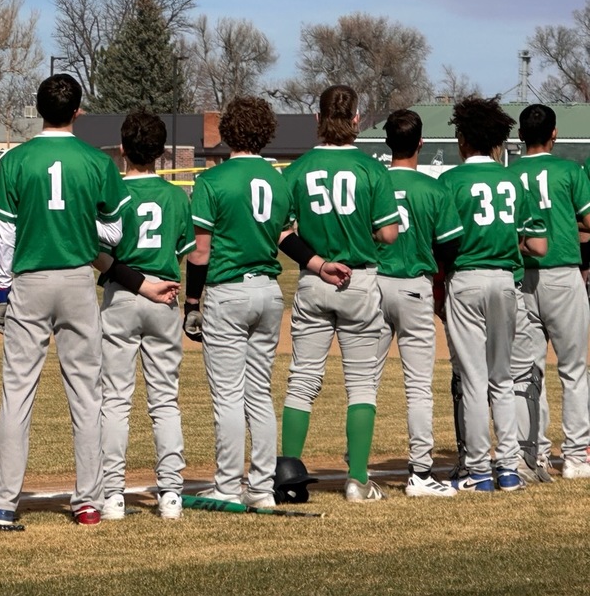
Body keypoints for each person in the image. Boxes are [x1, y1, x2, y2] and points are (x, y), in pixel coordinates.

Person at [0, 73, 177, 528]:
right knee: (86, 393)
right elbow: (114, 232)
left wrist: (3, 292)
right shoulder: (97, 162)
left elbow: (6, 237)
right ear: (78, 112)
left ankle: (2, 503)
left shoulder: (15, 160)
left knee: (17, 393)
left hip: (29, 279)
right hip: (79, 280)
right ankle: (88, 502)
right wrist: (81, 226)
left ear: (38, 109)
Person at [185, 96, 347, 509]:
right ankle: (260, 488)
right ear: (266, 133)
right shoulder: (277, 180)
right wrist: (319, 264)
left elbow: (200, 253)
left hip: (228, 290)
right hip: (269, 293)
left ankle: (227, 485)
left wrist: (191, 302)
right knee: (258, 392)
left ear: (227, 132)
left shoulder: (212, 181)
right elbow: (285, 236)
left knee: (228, 395)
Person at [279, 84, 400, 503]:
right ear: (356, 120)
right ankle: (357, 480)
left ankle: (289, 474)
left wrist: (316, 261)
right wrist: (362, 234)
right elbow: (389, 232)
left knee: (302, 381)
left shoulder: (297, 169)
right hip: (359, 279)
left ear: (317, 119)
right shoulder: (371, 169)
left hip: (314, 278)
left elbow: (281, 231)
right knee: (361, 385)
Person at [439, 96, 546, 492]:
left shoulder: (450, 181)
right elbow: (532, 242)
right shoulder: (512, 181)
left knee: (473, 380)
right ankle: (509, 469)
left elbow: (442, 242)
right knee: (503, 378)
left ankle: (479, 471)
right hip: (505, 280)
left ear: (463, 139)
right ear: (498, 141)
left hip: (466, 277)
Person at [98, 110, 194, 522]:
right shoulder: (176, 196)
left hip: (123, 292)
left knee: (115, 399)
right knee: (164, 399)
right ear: (161, 153)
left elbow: (100, 253)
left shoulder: (115, 193)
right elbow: (183, 250)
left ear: (122, 149)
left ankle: (112, 494)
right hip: (164, 295)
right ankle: (171, 493)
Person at [374, 110, 462, 498]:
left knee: (364, 384)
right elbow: (450, 246)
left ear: (387, 143)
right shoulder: (433, 189)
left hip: (373, 285)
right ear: (421, 143)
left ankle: (357, 471)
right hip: (415, 285)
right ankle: (420, 473)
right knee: (418, 386)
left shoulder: (372, 184)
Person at [508, 104, 590, 480]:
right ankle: (575, 456)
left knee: (529, 370)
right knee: (573, 369)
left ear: (521, 135)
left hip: (521, 277)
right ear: (554, 133)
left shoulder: (509, 174)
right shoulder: (570, 171)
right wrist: (566, 218)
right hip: (562, 275)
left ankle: (535, 453)